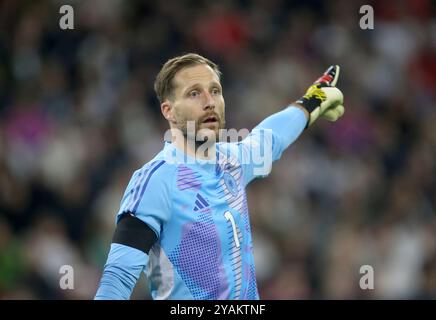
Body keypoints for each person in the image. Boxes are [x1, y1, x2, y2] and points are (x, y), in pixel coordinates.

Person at [94, 53, 344, 300]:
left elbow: (270, 138)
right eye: (194, 93)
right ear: (168, 110)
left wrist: (311, 101)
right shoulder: (155, 183)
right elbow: (116, 281)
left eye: (215, 91)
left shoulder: (231, 161)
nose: (209, 101)